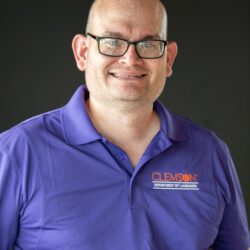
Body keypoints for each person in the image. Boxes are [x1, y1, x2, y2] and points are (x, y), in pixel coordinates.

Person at [0, 0, 249, 249]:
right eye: (112, 42)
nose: (131, 59)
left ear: (168, 58)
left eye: (148, 44)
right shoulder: (18, 152)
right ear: (83, 53)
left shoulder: (210, 153)